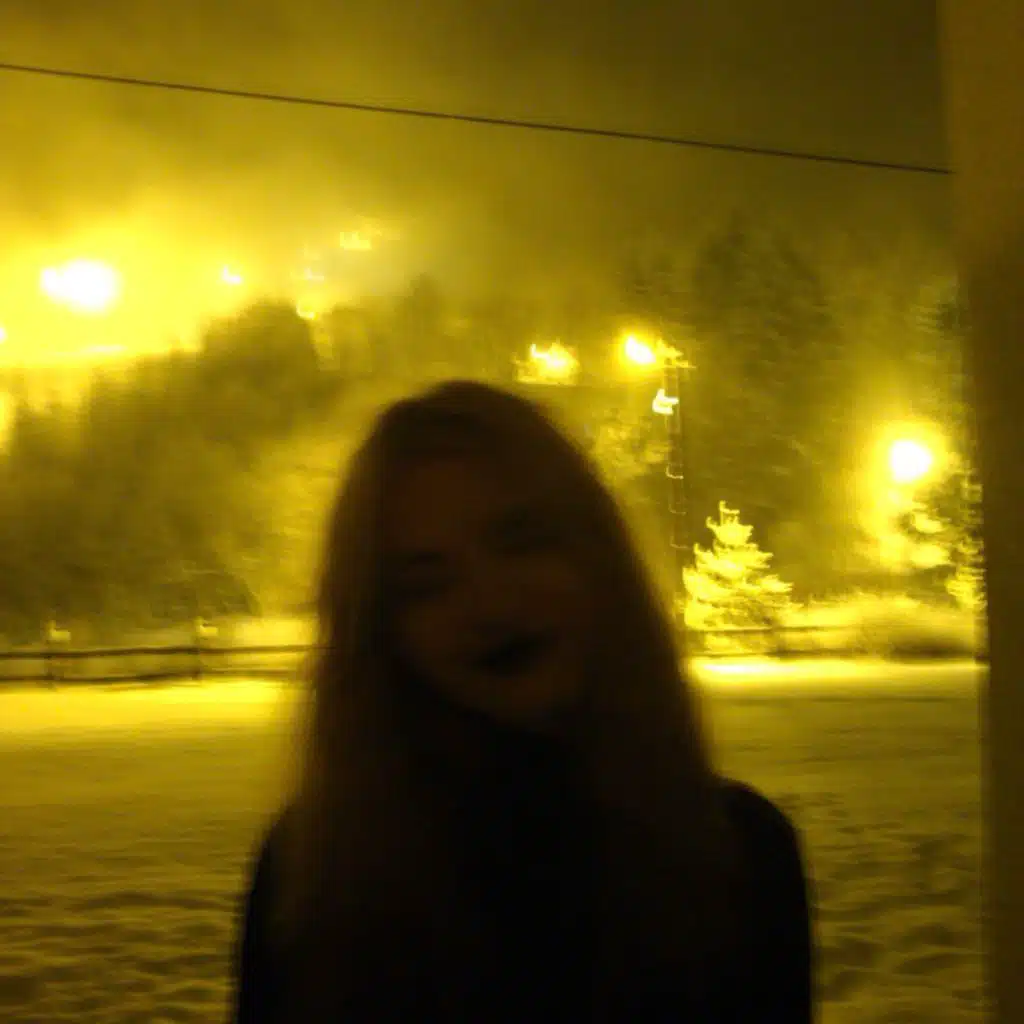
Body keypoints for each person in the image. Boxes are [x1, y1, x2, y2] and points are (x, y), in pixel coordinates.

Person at [232, 380, 814, 1022]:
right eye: (429, 583)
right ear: (379, 632)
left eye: (520, 542)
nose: (490, 604)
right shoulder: (314, 881)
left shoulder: (738, 858)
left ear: (596, 553)